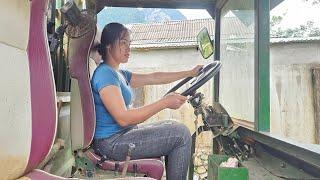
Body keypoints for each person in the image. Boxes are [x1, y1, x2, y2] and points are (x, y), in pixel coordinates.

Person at [91, 22, 202, 180]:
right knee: (181, 134)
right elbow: (123, 118)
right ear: (109, 45)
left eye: (129, 43)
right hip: (112, 143)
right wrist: (163, 103)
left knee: (172, 125)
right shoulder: (105, 75)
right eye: (123, 43)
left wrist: (189, 73)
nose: (128, 48)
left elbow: (154, 77)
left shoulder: (119, 73)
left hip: (124, 134)